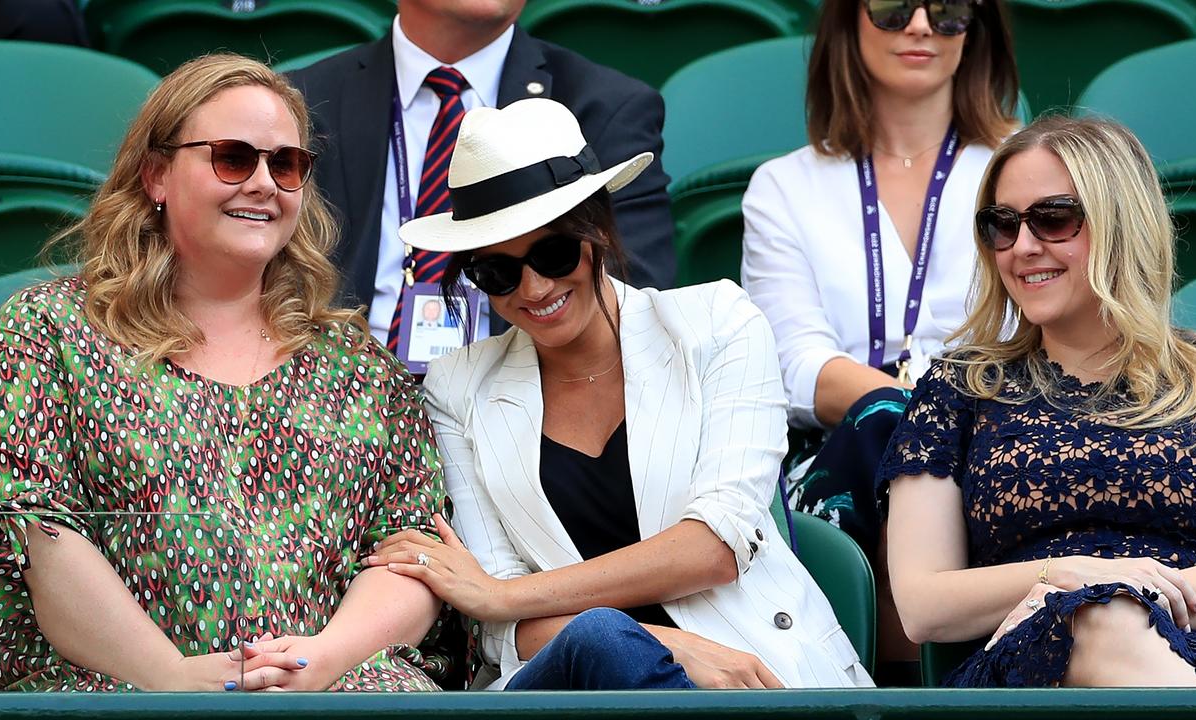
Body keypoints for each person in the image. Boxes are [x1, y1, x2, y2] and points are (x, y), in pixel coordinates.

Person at [359, 97, 873, 690]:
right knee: (603, 641)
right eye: (497, 272)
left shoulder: (718, 322)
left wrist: (501, 594)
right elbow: (504, 634)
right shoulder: (458, 386)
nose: (534, 288)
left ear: (598, 229)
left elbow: (714, 546)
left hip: (748, 666)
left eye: (553, 253)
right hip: (572, 689)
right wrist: (657, 643)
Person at [0, 54, 447, 692]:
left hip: (334, 691)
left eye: (286, 165)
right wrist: (173, 680)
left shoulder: (359, 364)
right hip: (115, 688)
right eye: (233, 158)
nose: (263, 184)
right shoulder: (48, 332)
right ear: (157, 175)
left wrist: (321, 663)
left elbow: (413, 552)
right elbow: (37, 536)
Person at [878, 116, 1196, 687]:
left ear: (1120, 223)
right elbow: (922, 603)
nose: (1023, 247)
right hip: (1025, 664)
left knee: (1112, 615)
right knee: (1101, 617)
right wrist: (1069, 576)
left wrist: (1127, 589)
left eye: (1053, 219)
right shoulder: (959, 388)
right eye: (1001, 225)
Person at [740, 0, 1018, 681]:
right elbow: (796, 365)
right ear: (847, 19)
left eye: (948, 8)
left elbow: (1043, 339)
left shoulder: (1026, 169)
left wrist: (950, 421)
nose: (921, 25)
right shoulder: (784, 187)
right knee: (886, 425)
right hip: (841, 450)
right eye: (894, 6)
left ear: (977, 24)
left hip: (1000, 436)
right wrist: (925, 414)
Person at [288, 0, 675, 350]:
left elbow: (634, 299)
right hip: (338, 401)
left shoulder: (605, 106)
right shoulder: (301, 101)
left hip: (524, 401)